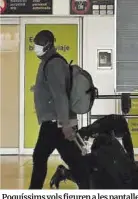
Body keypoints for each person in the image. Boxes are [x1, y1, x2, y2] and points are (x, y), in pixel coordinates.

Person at [29, 29, 89, 189]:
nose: (36, 47)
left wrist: (65, 124)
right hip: (57, 122)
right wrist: (39, 90)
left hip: (57, 122)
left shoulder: (54, 63)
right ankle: (88, 187)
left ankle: (33, 191)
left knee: (41, 156)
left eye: (39, 44)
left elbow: (60, 95)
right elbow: (53, 89)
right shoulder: (48, 62)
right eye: (35, 43)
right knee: (74, 160)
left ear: (48, 45)